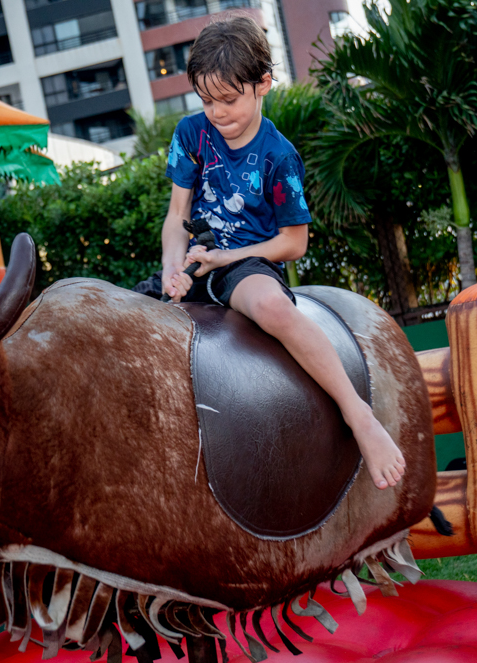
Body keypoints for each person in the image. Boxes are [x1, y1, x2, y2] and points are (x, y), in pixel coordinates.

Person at [154, 15, 405, 490]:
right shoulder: (190, 134)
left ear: (263, 83)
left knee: (271, 305)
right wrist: (173, 267)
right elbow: (176, 215)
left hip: (246, 263)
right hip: (197, 257)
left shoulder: (278, 155)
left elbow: (294, 241)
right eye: (206, 101)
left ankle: (360, 417)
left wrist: (225, 260)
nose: (217, 113)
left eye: (228, 100)